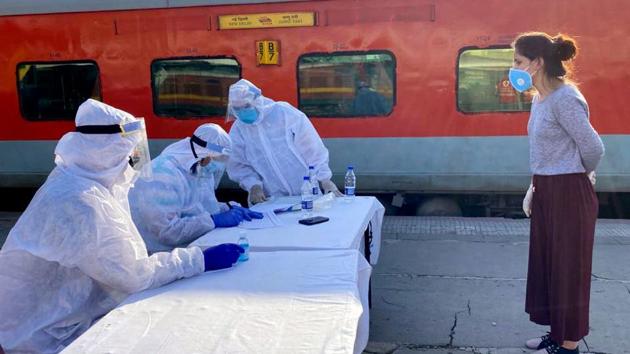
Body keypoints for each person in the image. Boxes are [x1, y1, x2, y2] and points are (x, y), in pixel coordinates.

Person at [0, 100, 244, 353]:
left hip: (52, 315)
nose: (132, 163)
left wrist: (221, 213)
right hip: (42, 333)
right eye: (128, 155)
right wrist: (199, 259)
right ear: (107, 152)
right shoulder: (82, 202)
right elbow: (135, 275)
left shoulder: (77, 180)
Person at [513, 33, 604, 353]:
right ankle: (556, 332)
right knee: (550, 265)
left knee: (569, 269)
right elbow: (545, 151)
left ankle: (569, 344)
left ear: (537, 63)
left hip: (568, 190)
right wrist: (534, 187)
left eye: (519, 62)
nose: (515, 68)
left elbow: (593, 147)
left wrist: (580, 175)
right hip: (547, 188)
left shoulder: (566, 98)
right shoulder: (541, 99)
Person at [129, 123, 262, 253]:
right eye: (219, 159)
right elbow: (167, 232)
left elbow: (199, 206)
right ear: (206, 156)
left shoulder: (199, 168)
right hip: (160, 255)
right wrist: (214, 220)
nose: (218, 166)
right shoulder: (162, 175)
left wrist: (227, 207)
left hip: (187, 249)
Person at [225, 79, 343, 205]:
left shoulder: (284, 113)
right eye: (237, 109)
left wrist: (324, 179)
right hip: (271, 200)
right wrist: (253, 186)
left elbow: (312, 147)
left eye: (246, 106)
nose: (242, 112)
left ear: (257, 101)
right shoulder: (238, 129)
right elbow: (237, 164)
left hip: (306, 192)